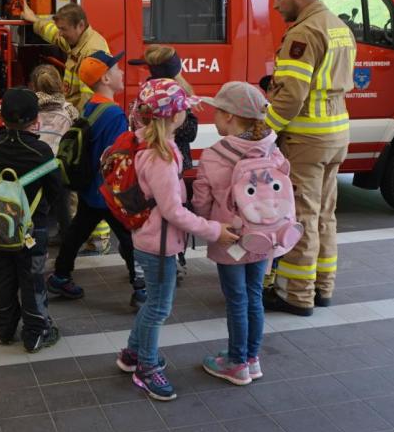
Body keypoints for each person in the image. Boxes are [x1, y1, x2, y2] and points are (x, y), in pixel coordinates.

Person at [117, 79, 236, 401]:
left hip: (146, 236)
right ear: (172, 118)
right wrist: (214, 230)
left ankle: (131, 353)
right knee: (158, 307)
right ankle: (147, 367)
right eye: (183, 108)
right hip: (159, 243)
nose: (188, 113)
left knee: (154, 302)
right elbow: (172, 211)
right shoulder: (162, 158)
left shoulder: (143, 140)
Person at [263, 0, 357, 316]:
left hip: (307, 137)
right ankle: (323, 286)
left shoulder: (303, 33)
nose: (275, 5)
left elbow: (291, 96)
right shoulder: (339, 26)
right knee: (325, 215)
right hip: (337, 134)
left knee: (301, 216)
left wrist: (266, 132)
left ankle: (297, 295)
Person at [192, 81, 282, 385]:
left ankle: (236, 361)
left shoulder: (215, 154)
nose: (214, 117)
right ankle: (252, 358)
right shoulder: (272, 146)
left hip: (229, 237)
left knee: (236, 299)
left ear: (230, 116)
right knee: (254, 295)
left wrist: (207, 226)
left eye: (217, 111)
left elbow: (201, 200)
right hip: (263, 234)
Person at [47, 51, 146, 307]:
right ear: (106, 78)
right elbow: (115, 157)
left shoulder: (91, 105)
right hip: (109, 193)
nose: (122, 72)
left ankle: (60, 276)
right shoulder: (113, 114)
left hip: (91, 190)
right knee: (129, 237)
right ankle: (141, 288)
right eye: (117, 69)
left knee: (77, 232)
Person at [0, 87, 64, 352]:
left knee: (2, 277)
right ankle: (36, 332)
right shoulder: (41, 151)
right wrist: (67, 226)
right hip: (33, 230)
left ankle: (3, 329)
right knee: (32, 281)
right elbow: (57, 194)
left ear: (2, 118)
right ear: (36, 119)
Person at [128, 45, 201, 279]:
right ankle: (171, 258)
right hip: (171, 161)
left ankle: (157, 259)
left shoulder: (148, 93)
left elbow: (134, 126)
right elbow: (190, 133)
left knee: (153, 209)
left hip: (157, 160)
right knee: (173, 209)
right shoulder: (179, 93)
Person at [21, 1, 109, 111]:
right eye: (60, 29)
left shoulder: (92, 51)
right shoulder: (75, 39)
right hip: (70, 108)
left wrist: (78, 122)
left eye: (63, 29)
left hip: (80, 113)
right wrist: (35, 20)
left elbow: (89, 98)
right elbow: (53, 33)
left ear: (80, 25)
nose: (60, 33)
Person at [29, 64, 79, 245]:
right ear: (60, 84)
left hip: (35, 165)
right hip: (59, 166)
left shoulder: (30, 107)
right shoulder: (69, 109)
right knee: (62, 207)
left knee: (36, 205)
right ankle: (66, 237)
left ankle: (33, 238)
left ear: (33, 86)